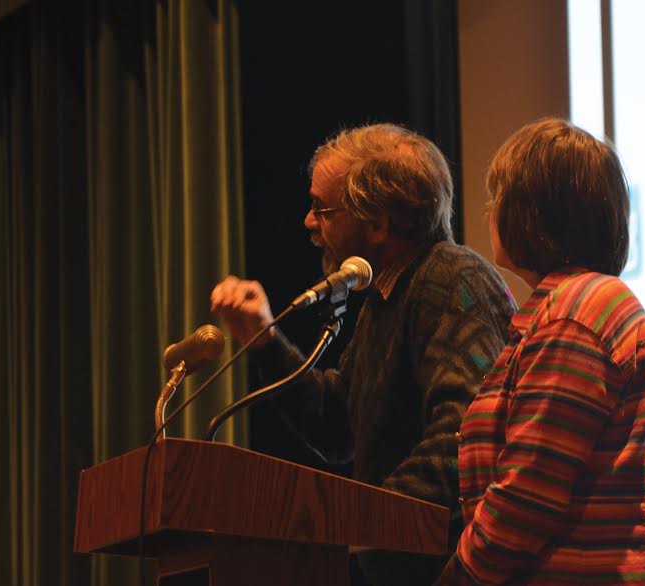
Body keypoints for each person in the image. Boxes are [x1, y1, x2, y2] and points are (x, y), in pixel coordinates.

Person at [211, 123, 517, 585]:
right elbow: (337, 425)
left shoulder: (452, 281)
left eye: (322, 209)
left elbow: (462, 440)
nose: (309, 223)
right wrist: (264, 339)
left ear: (378, 224)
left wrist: (355, 521)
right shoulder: (387, 299)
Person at [436, 118, 645, 584]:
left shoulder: (576, 313)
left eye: (499, 196)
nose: (489, 211)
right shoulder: (571, 307)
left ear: (535, 212)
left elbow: (527, 496)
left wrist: (459, 576)